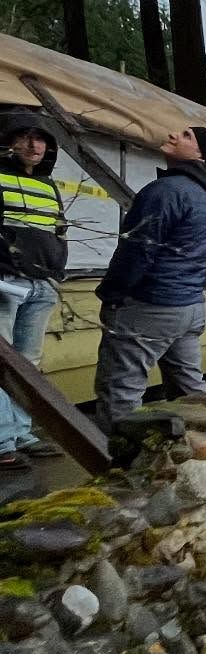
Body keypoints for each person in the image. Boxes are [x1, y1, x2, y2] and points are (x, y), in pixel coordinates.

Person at [93, 124, 206, 434]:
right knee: (193, 395)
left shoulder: (166, 191)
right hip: (189, 308)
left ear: (200, 154)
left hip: (150, 307)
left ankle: (119, 470)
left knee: (120, 398)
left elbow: (137, 250)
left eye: (186, 136)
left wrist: (112, 294)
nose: (172, 135)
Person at [0, 111, 68, 471]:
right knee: (2, 364)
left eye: (40, 138)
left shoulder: (47, 185)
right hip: (6, 282)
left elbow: (58, 230)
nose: (33, 144)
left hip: (42, 283)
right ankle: (2, 441)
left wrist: (56, 270)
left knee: (28, 364)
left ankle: (22, 431)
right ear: (8, 141)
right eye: (23, 137)